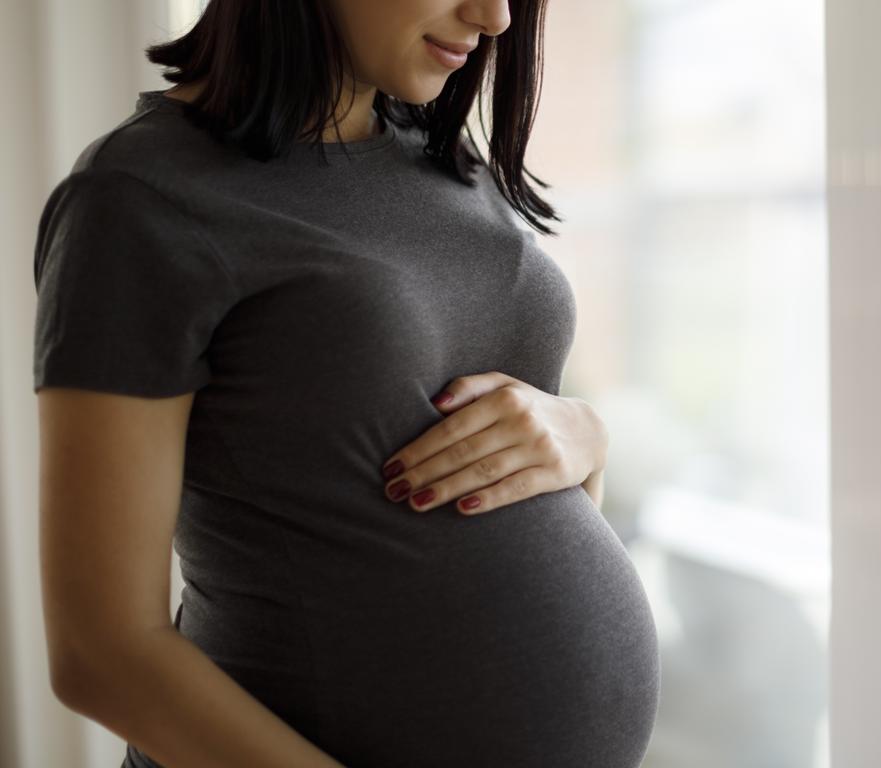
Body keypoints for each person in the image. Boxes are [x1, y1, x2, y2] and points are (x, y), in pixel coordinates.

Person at [33, 1, 661, 766]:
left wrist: (582, 438)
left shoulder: (437, 155)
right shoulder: (140, 198)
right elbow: (103, 654)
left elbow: (499, 497)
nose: (493, 16)